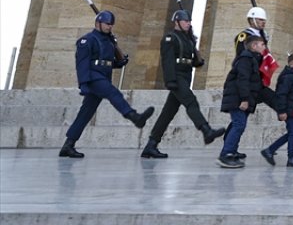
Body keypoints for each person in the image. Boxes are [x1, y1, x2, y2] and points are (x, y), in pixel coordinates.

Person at [60, 10, 155, 158]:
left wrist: (120, 62)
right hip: (93, 77)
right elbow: (82, 64)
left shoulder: (109, 41)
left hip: (103, 75)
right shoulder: (87, 40)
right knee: (113, 92)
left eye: (111, 25)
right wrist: (83, 84)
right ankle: (134, 116)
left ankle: (68, 145)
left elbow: (108, 62)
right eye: (107, 24)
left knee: (85, 114)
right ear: (98, 23)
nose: (110, 27)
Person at [141, 9, 225, 158]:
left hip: (185, 76)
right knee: (191, 101)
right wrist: (170, 81)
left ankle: (151, 144)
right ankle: (206, 130)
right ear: (177, 22)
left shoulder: (188, 39)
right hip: (176, 77)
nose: (188, 23)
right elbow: (167, 61)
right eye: (186, 21)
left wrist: (198, 60)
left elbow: (191, 60)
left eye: (189, 21)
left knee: (168, 113)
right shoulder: (170, 38)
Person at [218, 34, 270, 168]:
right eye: (262, 45)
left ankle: (231, 150)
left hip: (240, 98)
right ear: (254, 46)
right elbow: (243, 79)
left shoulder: (253, 59)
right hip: (238, 98)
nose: (265, 47)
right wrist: (245, 99)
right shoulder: (246, 59)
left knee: (237, 124)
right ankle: (226, 154)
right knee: (239, 124)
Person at [261, 53, 293, 168]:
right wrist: (282, 111)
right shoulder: (288, 77)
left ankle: (269, 150)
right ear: (292, 64)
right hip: (290, 111)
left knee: (292, 133)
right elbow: (281, 95)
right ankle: (291, 158)